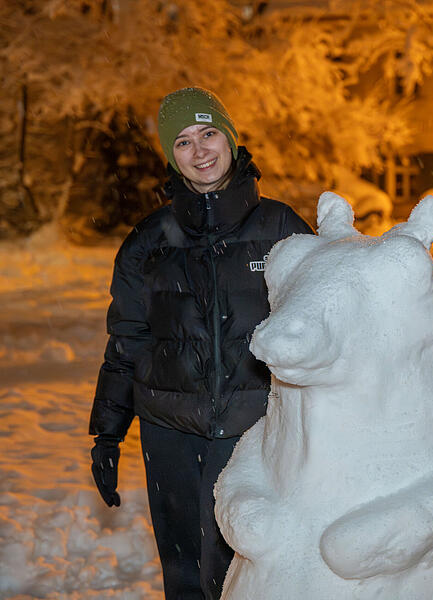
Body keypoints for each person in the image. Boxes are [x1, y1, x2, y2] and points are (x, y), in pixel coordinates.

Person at [88, 87, 313, 599]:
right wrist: (107, 432)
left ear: (231, 139)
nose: (201, 150)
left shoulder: (282, 229)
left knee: (247, 574)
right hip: (170, 433)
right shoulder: (148, 242)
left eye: (209, 133)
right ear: (171, 156)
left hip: (256, 428)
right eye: (184, 142)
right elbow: (127, 340)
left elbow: (327, 329)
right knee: (186, 575)